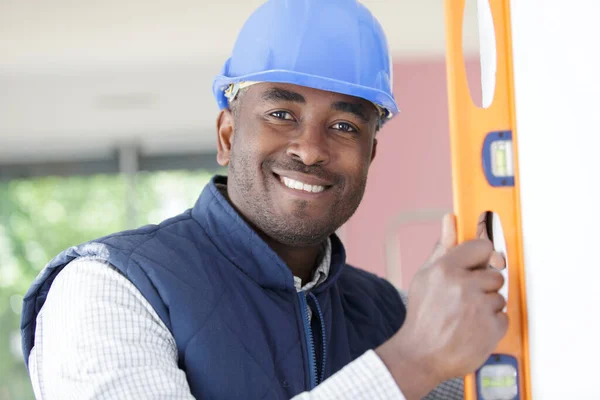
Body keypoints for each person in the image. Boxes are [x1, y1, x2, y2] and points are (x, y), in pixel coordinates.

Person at [20, 0, 508, 399]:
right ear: (228, 134)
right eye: (281, 113)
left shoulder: (390, 315)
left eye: (344, 126)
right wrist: (411, 360)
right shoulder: (109, 288)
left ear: (370, 154)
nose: (311, 149)